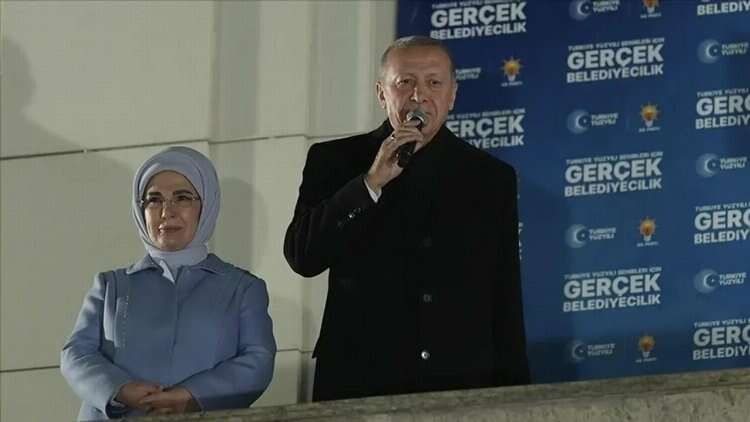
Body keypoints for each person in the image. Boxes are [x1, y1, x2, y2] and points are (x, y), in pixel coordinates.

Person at [284, 36, 529, 401]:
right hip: (360, 382)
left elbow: (504, 294)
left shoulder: (490, 178)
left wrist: (517, 397)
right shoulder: (334, 161)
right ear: (382, 93)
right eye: (405, 82)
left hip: (462, 383)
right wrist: (370, 183)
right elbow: (303, 256)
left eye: (434, 82)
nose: (419, 96)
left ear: (452, 95)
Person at [61, 146, 276, 420]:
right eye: (154, 200)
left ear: (206, 206)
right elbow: (76, 354)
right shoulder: (110, 286)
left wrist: (192, 395)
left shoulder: (243, 288)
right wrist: (120, 389)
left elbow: (258, 359)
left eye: (182, 198)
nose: (166, 211)